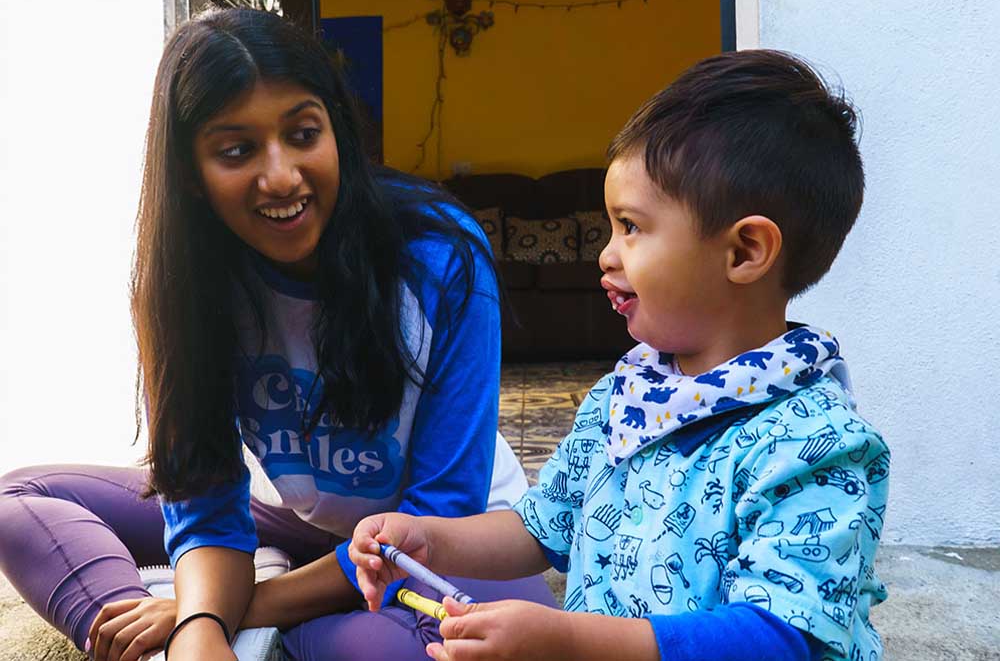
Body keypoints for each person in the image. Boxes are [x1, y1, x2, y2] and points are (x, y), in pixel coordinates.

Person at [0, 7, 554, 661]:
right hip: (295, 517)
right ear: (191, 172)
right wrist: (198, 630)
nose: (282, 175)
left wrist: (212, 608)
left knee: (416, 650)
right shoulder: (187, 282)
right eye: (236, 150)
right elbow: (204, 503)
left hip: (442, 540)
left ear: (336, 131)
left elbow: (436, 513)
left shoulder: (441, 256)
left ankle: (266, 628)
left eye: (302, 133)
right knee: (20, 500)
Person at [350, 49, 890, 661]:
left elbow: (777, 638)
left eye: (630, 227)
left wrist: (566, 640)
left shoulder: (818, 443)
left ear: (744, 252)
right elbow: (540, 527)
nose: (606, 255)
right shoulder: (626, 398)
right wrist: (427, 540)